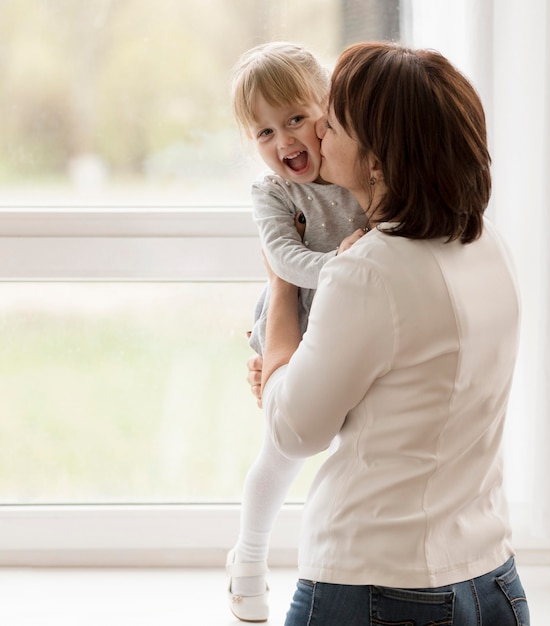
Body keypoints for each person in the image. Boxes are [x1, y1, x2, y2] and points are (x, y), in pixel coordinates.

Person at [250, 42, 531, 625]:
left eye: (336, 122)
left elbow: (292, 429)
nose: (318, 132)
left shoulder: (368, 272)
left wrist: (279, 285)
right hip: (491, 577)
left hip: (382, 587)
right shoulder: (487, 245)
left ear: (377, 159)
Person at [227, 41, 369, 622]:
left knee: (354, 442)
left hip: (357, 322)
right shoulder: (273, 192)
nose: (284, 141)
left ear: (328, 111)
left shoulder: (358, 163)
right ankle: (248, 561)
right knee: (282, 453)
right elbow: (282, 259)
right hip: (301, 317)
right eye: (264, 133)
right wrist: (344, 266)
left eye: (295, 119)